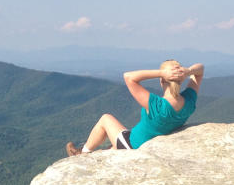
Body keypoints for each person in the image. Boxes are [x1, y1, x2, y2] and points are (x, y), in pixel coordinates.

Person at [66, 60, 204, 155]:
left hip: (132, 145)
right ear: (181, 79)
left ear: (162, 80)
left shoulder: (158, 105)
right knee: (110, 148)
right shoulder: (189, 102)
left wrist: (161, 72)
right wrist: (188, 71)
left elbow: (128, 77)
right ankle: (92, 154)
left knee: (105, 119)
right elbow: (200, 70)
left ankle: (82, 153)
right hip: (140, 141)